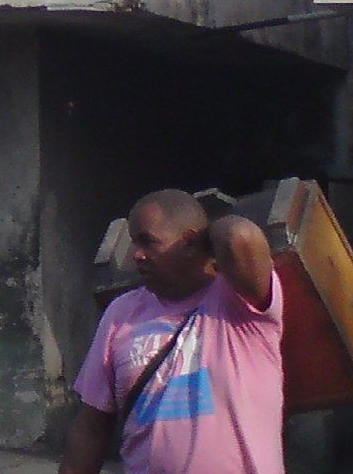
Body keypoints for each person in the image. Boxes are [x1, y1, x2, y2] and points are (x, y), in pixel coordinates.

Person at [59, 187, 283, 474]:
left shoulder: (239, 303)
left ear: (189, 241)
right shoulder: (121, 313)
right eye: (134, 243)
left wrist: (209, 230)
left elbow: (239, 236)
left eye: (147, 242)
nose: (137, 255)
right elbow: (91, 428)